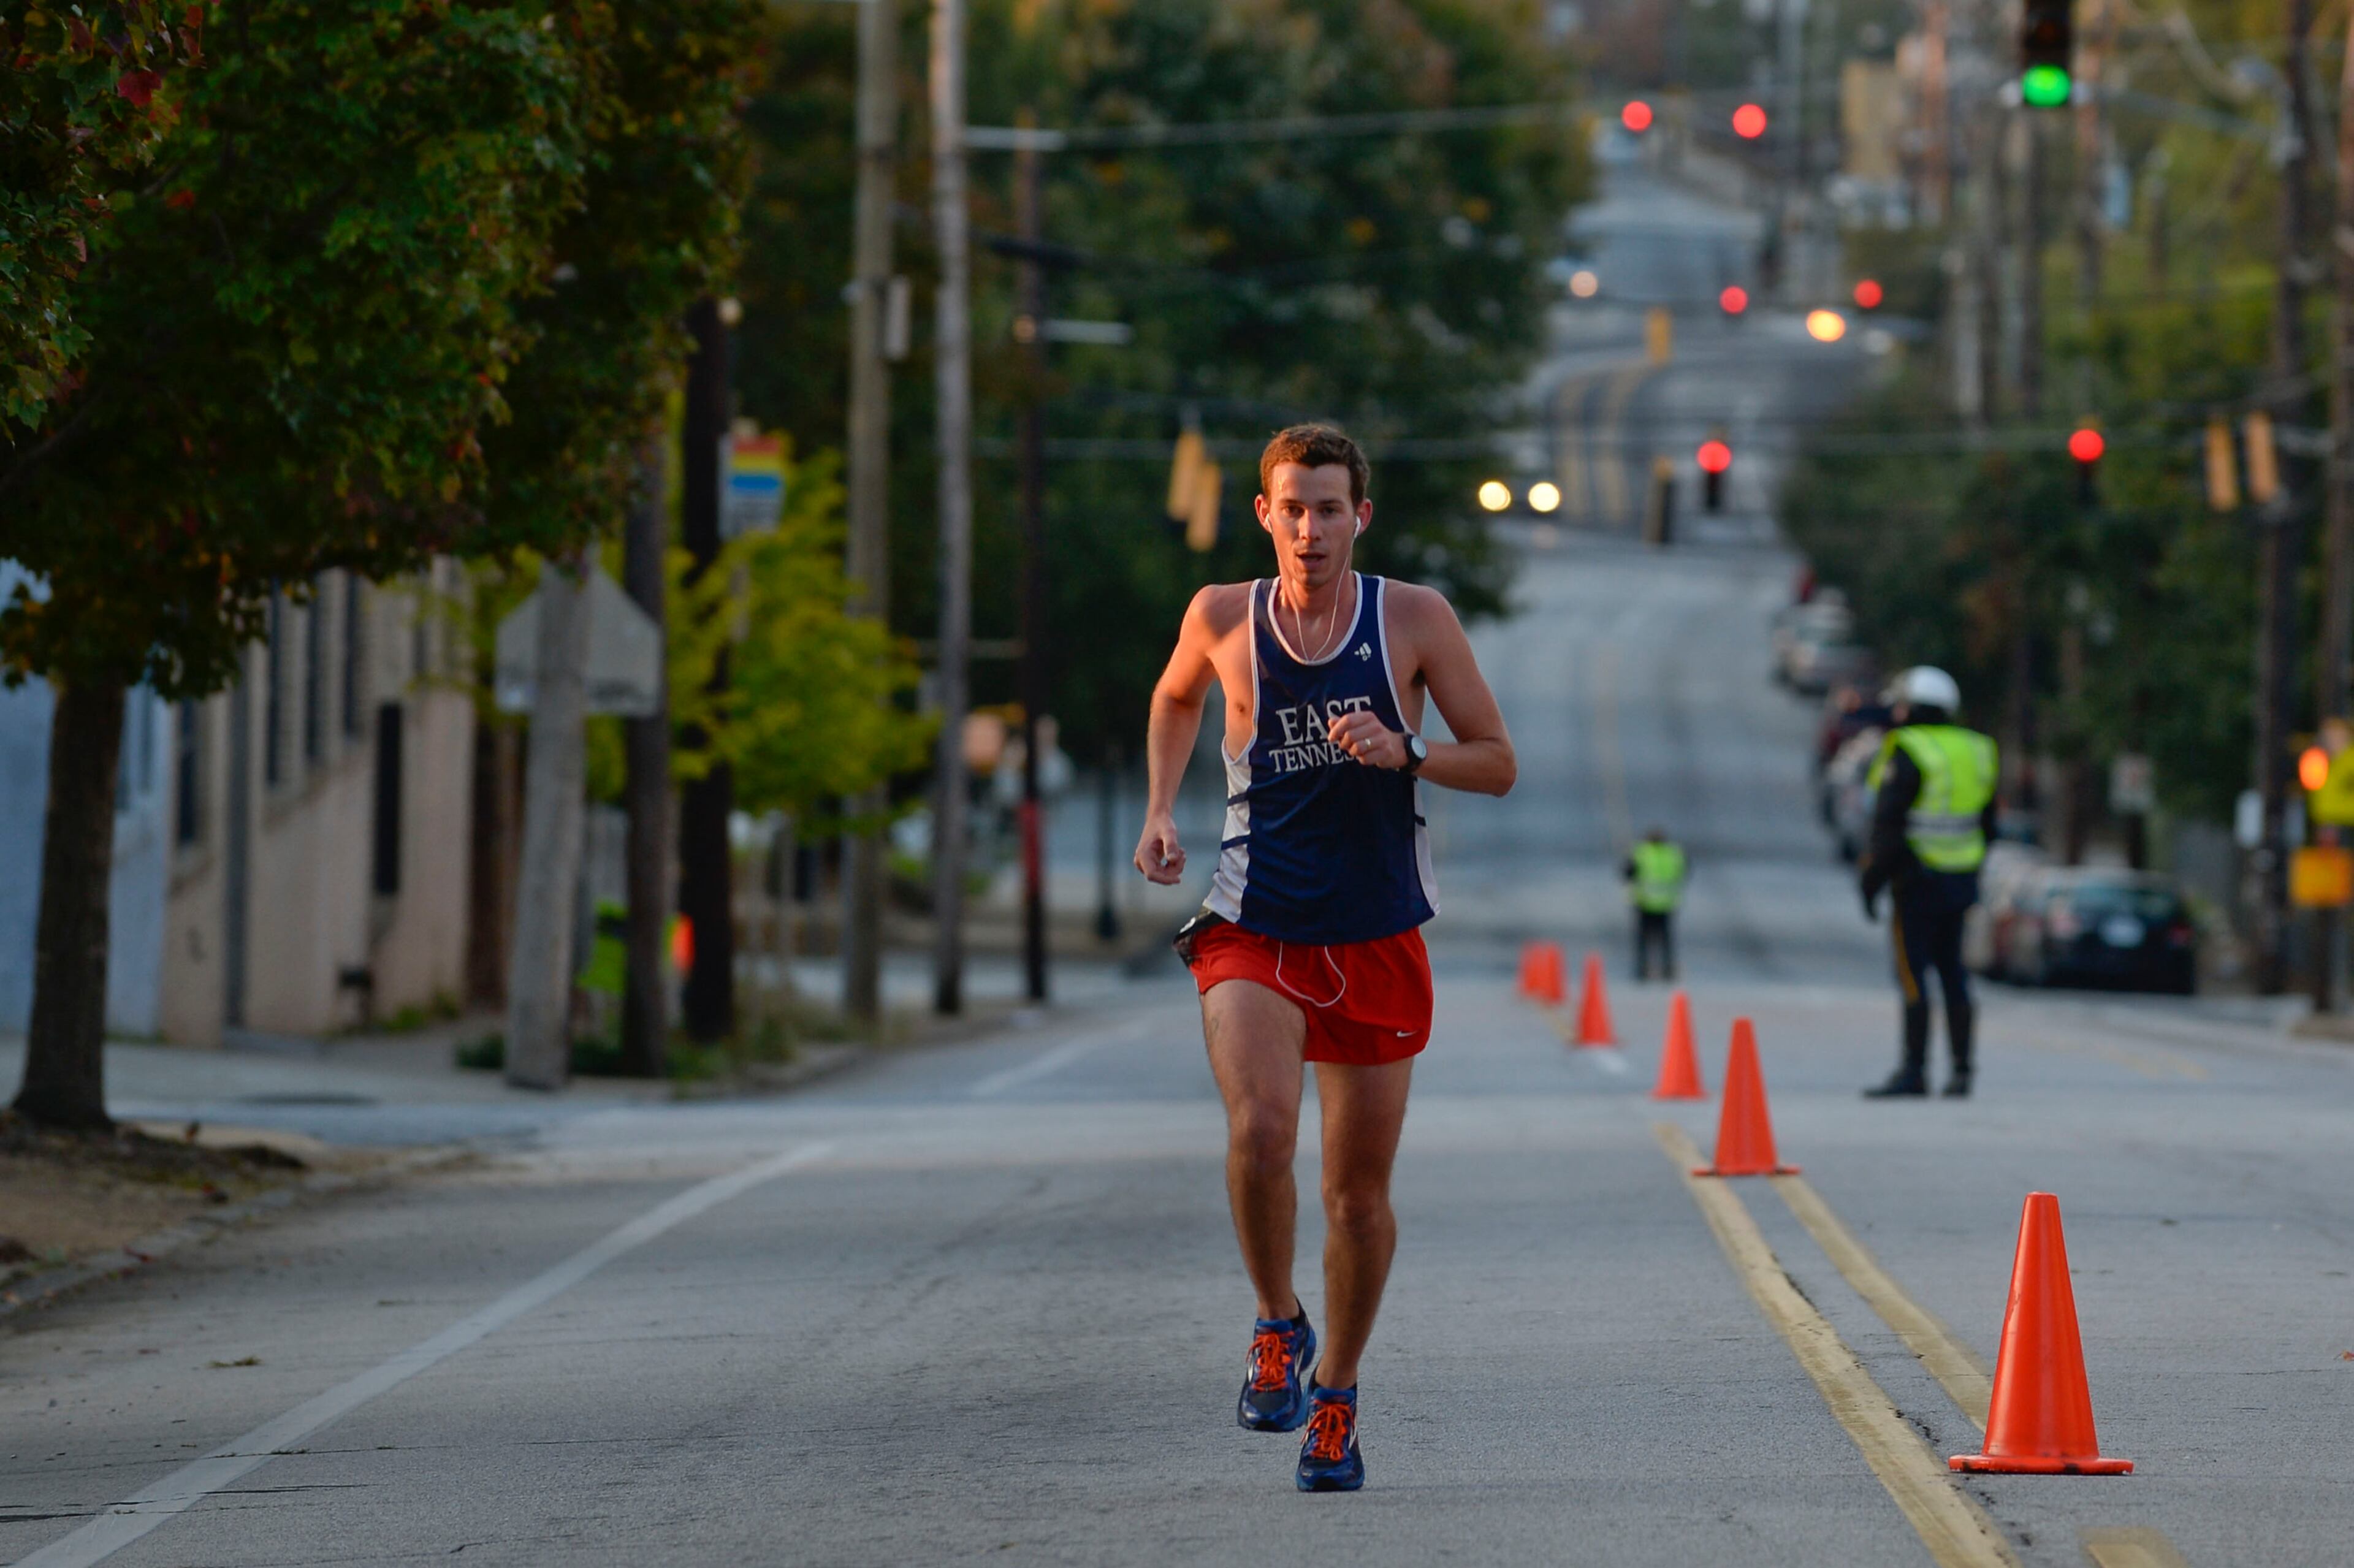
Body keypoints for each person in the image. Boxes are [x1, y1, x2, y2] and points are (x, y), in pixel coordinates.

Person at [1134, 424, 1515, 1492]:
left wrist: (1412, 751)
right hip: (1252, 918)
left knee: (1356, 1197)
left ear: (1361, 517)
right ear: (1264, 513)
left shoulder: (1414, 619)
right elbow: (1175, 697)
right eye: (1292, 507)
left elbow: (1499, 761)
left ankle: (1338, 1392)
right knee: (1260, 1130)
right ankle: (1275, 1322)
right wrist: (1162, 809)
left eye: (1330, 508)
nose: (1311, 528)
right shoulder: (1221, 615)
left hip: (1377, 928)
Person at [1857, 666, 1997, 1099]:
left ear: (1913, 707)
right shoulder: (1978, 749)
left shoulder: (1909, 748)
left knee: (1913, 975)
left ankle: (1914, 1070)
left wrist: (1872, 882)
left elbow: (1889, 825)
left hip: (1916, 883)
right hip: (1960, 883)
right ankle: (1962, 1070)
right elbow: (1988, 824)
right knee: (1954, 973)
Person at [1622, 827, 1686, 981]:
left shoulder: (1641, 853)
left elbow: (1627, 873)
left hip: (1645, 902)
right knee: (1666, 940)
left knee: (1643, 940)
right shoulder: (1673, 853)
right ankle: (1667, 969)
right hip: (1666, 902)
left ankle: (1642, 969)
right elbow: (1684, 871)